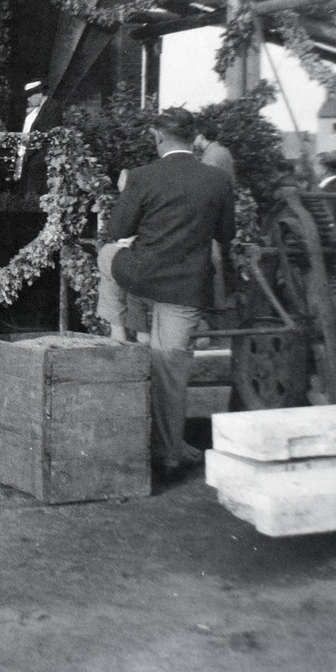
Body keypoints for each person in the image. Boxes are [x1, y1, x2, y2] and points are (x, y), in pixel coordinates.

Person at [95, 108, 235, 478]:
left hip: (140, 275)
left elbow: (117, 230)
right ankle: (170, 453)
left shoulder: (142, 176)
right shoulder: (218, 180)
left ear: (158, 137)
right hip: (185, 286)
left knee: (107, 253)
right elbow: (226, 234)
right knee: (171, 368)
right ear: (193, 138)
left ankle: (116, 330)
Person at [14, 79, 50, 192]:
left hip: (41, 158)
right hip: (30, 157)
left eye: (30, 96)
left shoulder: (51, 107)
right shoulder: (33, 111)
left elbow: (47, 132)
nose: (28, 99)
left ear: (39, 94)